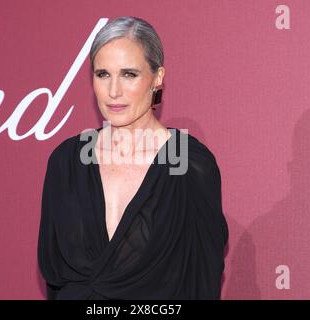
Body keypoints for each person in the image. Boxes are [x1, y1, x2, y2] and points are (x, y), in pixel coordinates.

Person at [37, 16, 228, 299]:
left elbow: (201, 280)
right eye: (103, 74)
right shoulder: (66, 162)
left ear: (157, 77)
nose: (114, 91)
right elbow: (55, 278)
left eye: (129, 74)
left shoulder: (185, 162)